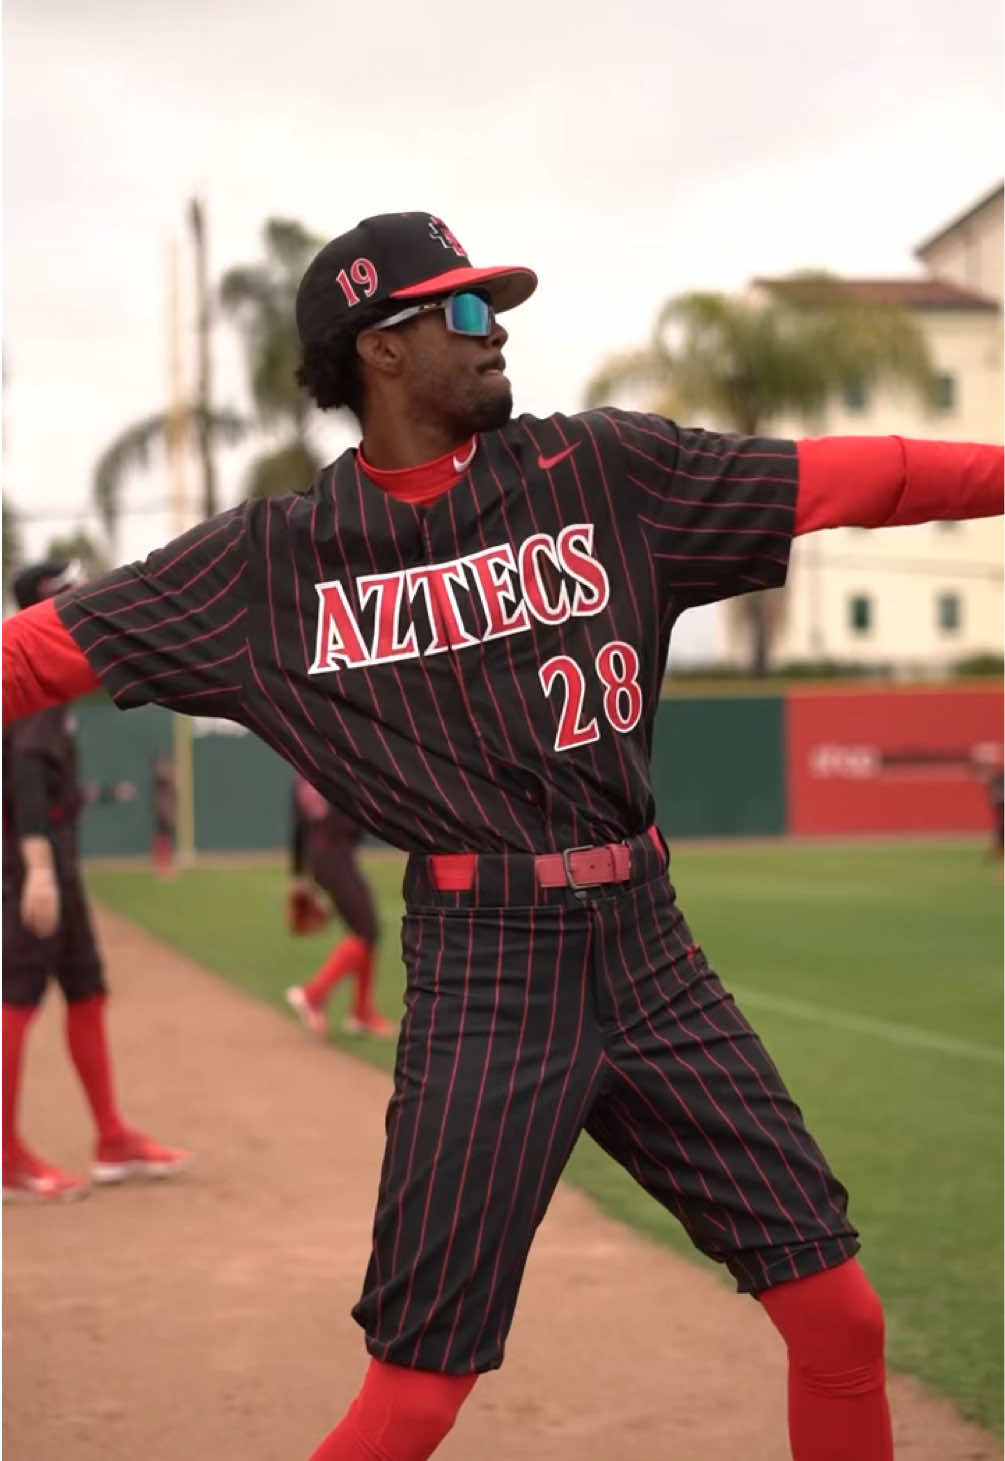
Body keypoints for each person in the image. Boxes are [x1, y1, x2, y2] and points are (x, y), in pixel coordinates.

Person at [2, 212, 1001, 1460]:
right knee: (417, 1395)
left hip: (650, 950)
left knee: (839, 1316)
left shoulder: (603, 472)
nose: (497, 330)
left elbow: (863, 480)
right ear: (381, 346)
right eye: (465, 311)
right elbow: (34, 657)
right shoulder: (274, 563)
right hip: (488, 977)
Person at [3, 561, 191, 1203]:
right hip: (32, 859)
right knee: (18, 993)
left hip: (55, 853)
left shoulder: (57, 676)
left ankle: (111, 1136)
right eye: (71, 595)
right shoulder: (36, 660)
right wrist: (36, 869)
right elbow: (25, 770)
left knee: (86, 988)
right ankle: (5, 1156)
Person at [284, 774, 394, 1038]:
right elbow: (359, 818)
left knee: (367, 931)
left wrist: (299, 876)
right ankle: (315, 995)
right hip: (337, 857)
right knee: (366, 932)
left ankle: (362, 1012)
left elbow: (300, 829)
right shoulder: (336, 767)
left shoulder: (302, 773)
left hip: (321, 857)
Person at [150, 752, 177, 876]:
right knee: (163, 836)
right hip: (163, 811)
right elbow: (162, 776)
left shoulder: (167, 778)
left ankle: (165, 863)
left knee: (167, 836)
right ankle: (162, 864)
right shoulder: (161, 778)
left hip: (167, 811)